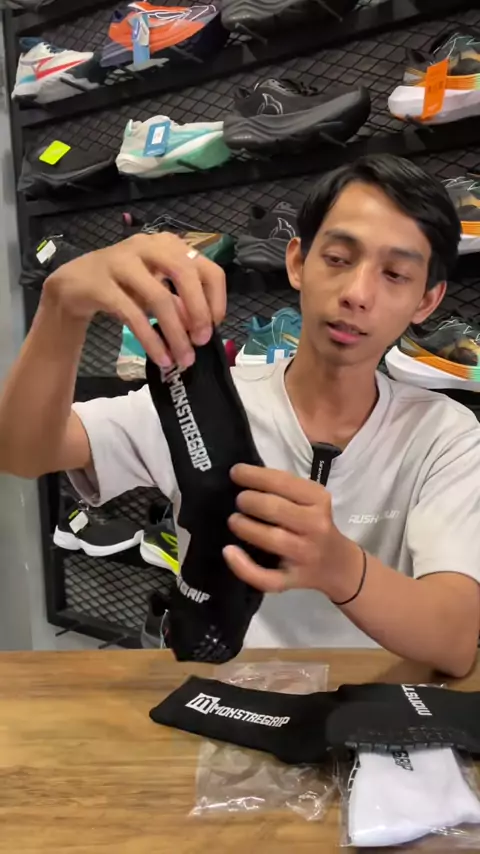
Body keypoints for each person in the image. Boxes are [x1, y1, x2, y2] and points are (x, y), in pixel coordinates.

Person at [1, 154, 479, 676]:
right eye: (338, 258)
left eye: (395, 274)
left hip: (377, 710)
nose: (357, 294)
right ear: (297, 262)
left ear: (426, 300)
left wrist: (339, 566)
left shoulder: (446, 436)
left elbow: (456, 641)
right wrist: (61, 307)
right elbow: (22, 452)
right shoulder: (205, 399)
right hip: (218, 697)